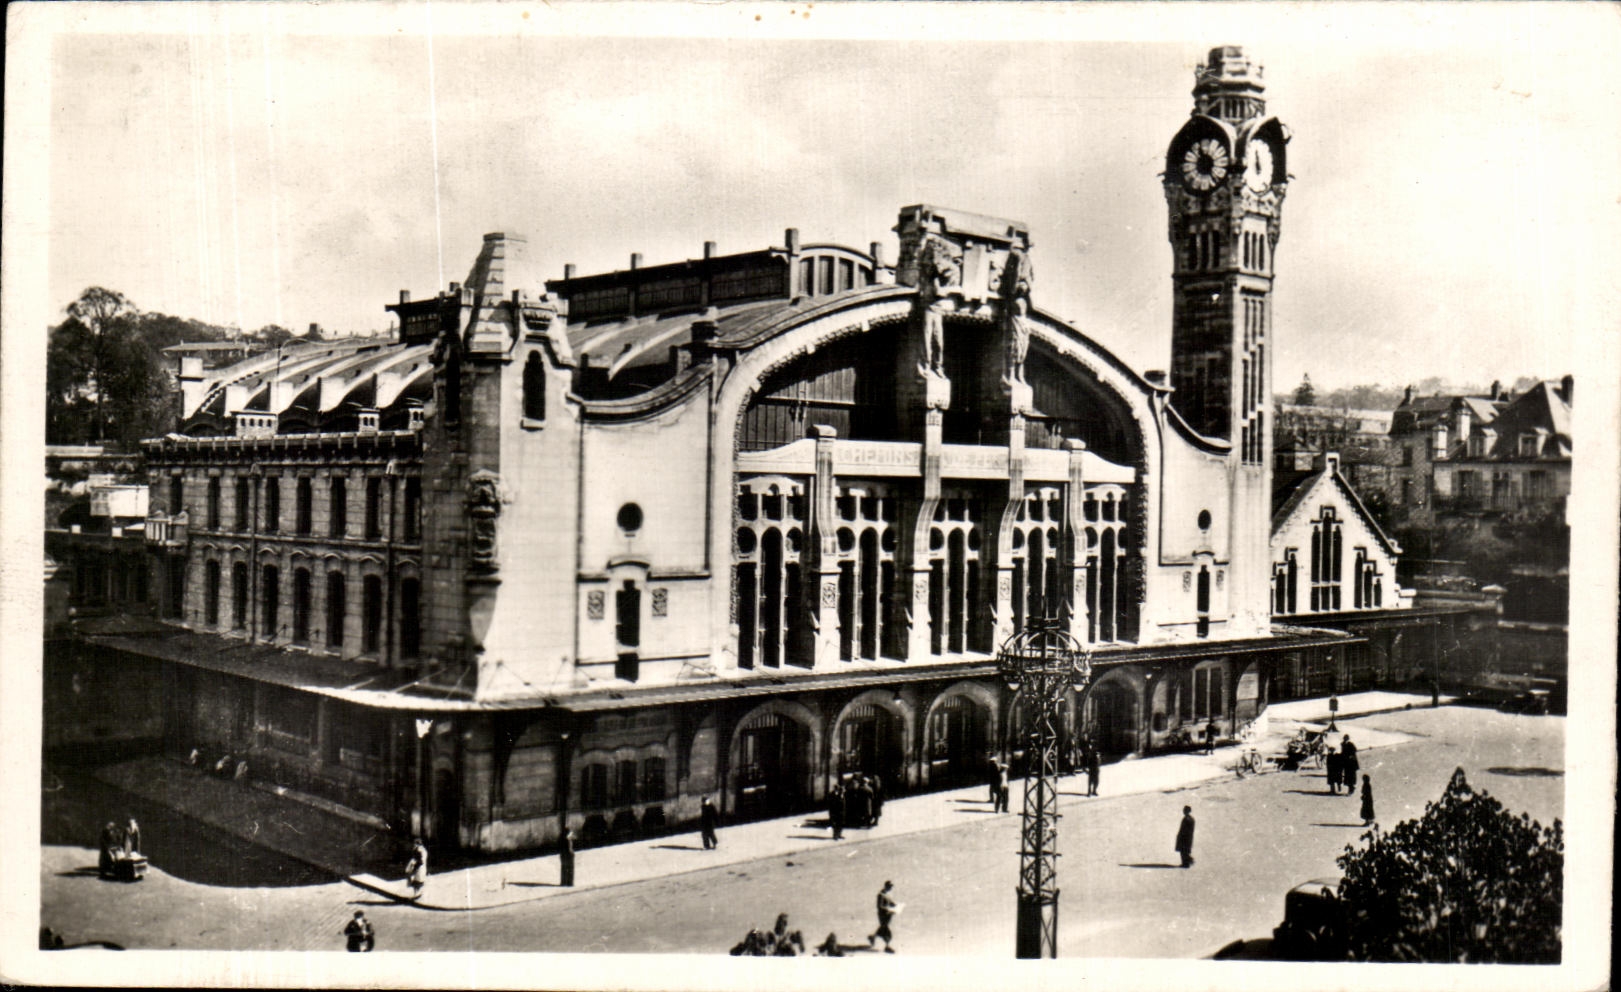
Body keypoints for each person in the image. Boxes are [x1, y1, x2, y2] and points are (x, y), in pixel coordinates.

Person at [869, 880, 900, 953]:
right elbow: (879, 906)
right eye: (889, 886)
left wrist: (894, 905)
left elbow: (890, 903)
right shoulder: (881, 895)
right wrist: (889, 910)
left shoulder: (886, 894)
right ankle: (887, 947)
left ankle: (873, 937)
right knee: (887, 932)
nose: (891, 888)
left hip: (887, 915)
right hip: (883, 915)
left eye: (891, 886)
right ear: (886, 886)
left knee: (882, 928)